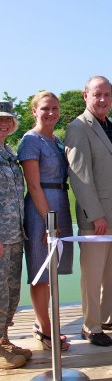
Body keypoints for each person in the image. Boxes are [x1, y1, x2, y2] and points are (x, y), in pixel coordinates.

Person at [64, 76, 112, 347]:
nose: (102, 99)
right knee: (92, 275)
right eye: (97, 94)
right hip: (97, 219)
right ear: (85, 96)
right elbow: (79, 176)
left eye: (107, 94)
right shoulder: (78, 128)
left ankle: (108, 317)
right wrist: (95, 214)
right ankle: (91, 326)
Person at [18, 92, 73, 351]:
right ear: (34, 111)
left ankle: (46, 324)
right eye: (45, 108)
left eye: (55, 108)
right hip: (42, 209)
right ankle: (45, 330)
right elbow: (34, 185)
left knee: (52, 272)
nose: (50, 113)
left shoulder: (57, 140)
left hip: (60, 201)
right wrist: (50, 222)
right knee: (40, 273)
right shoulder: (30, 140)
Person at [0, 101, 31, 369]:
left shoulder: (8, 151)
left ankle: (3, 339)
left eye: (7, 119)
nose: (3, 123)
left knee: (10, 292)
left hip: (14, 235)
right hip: (0, 237)